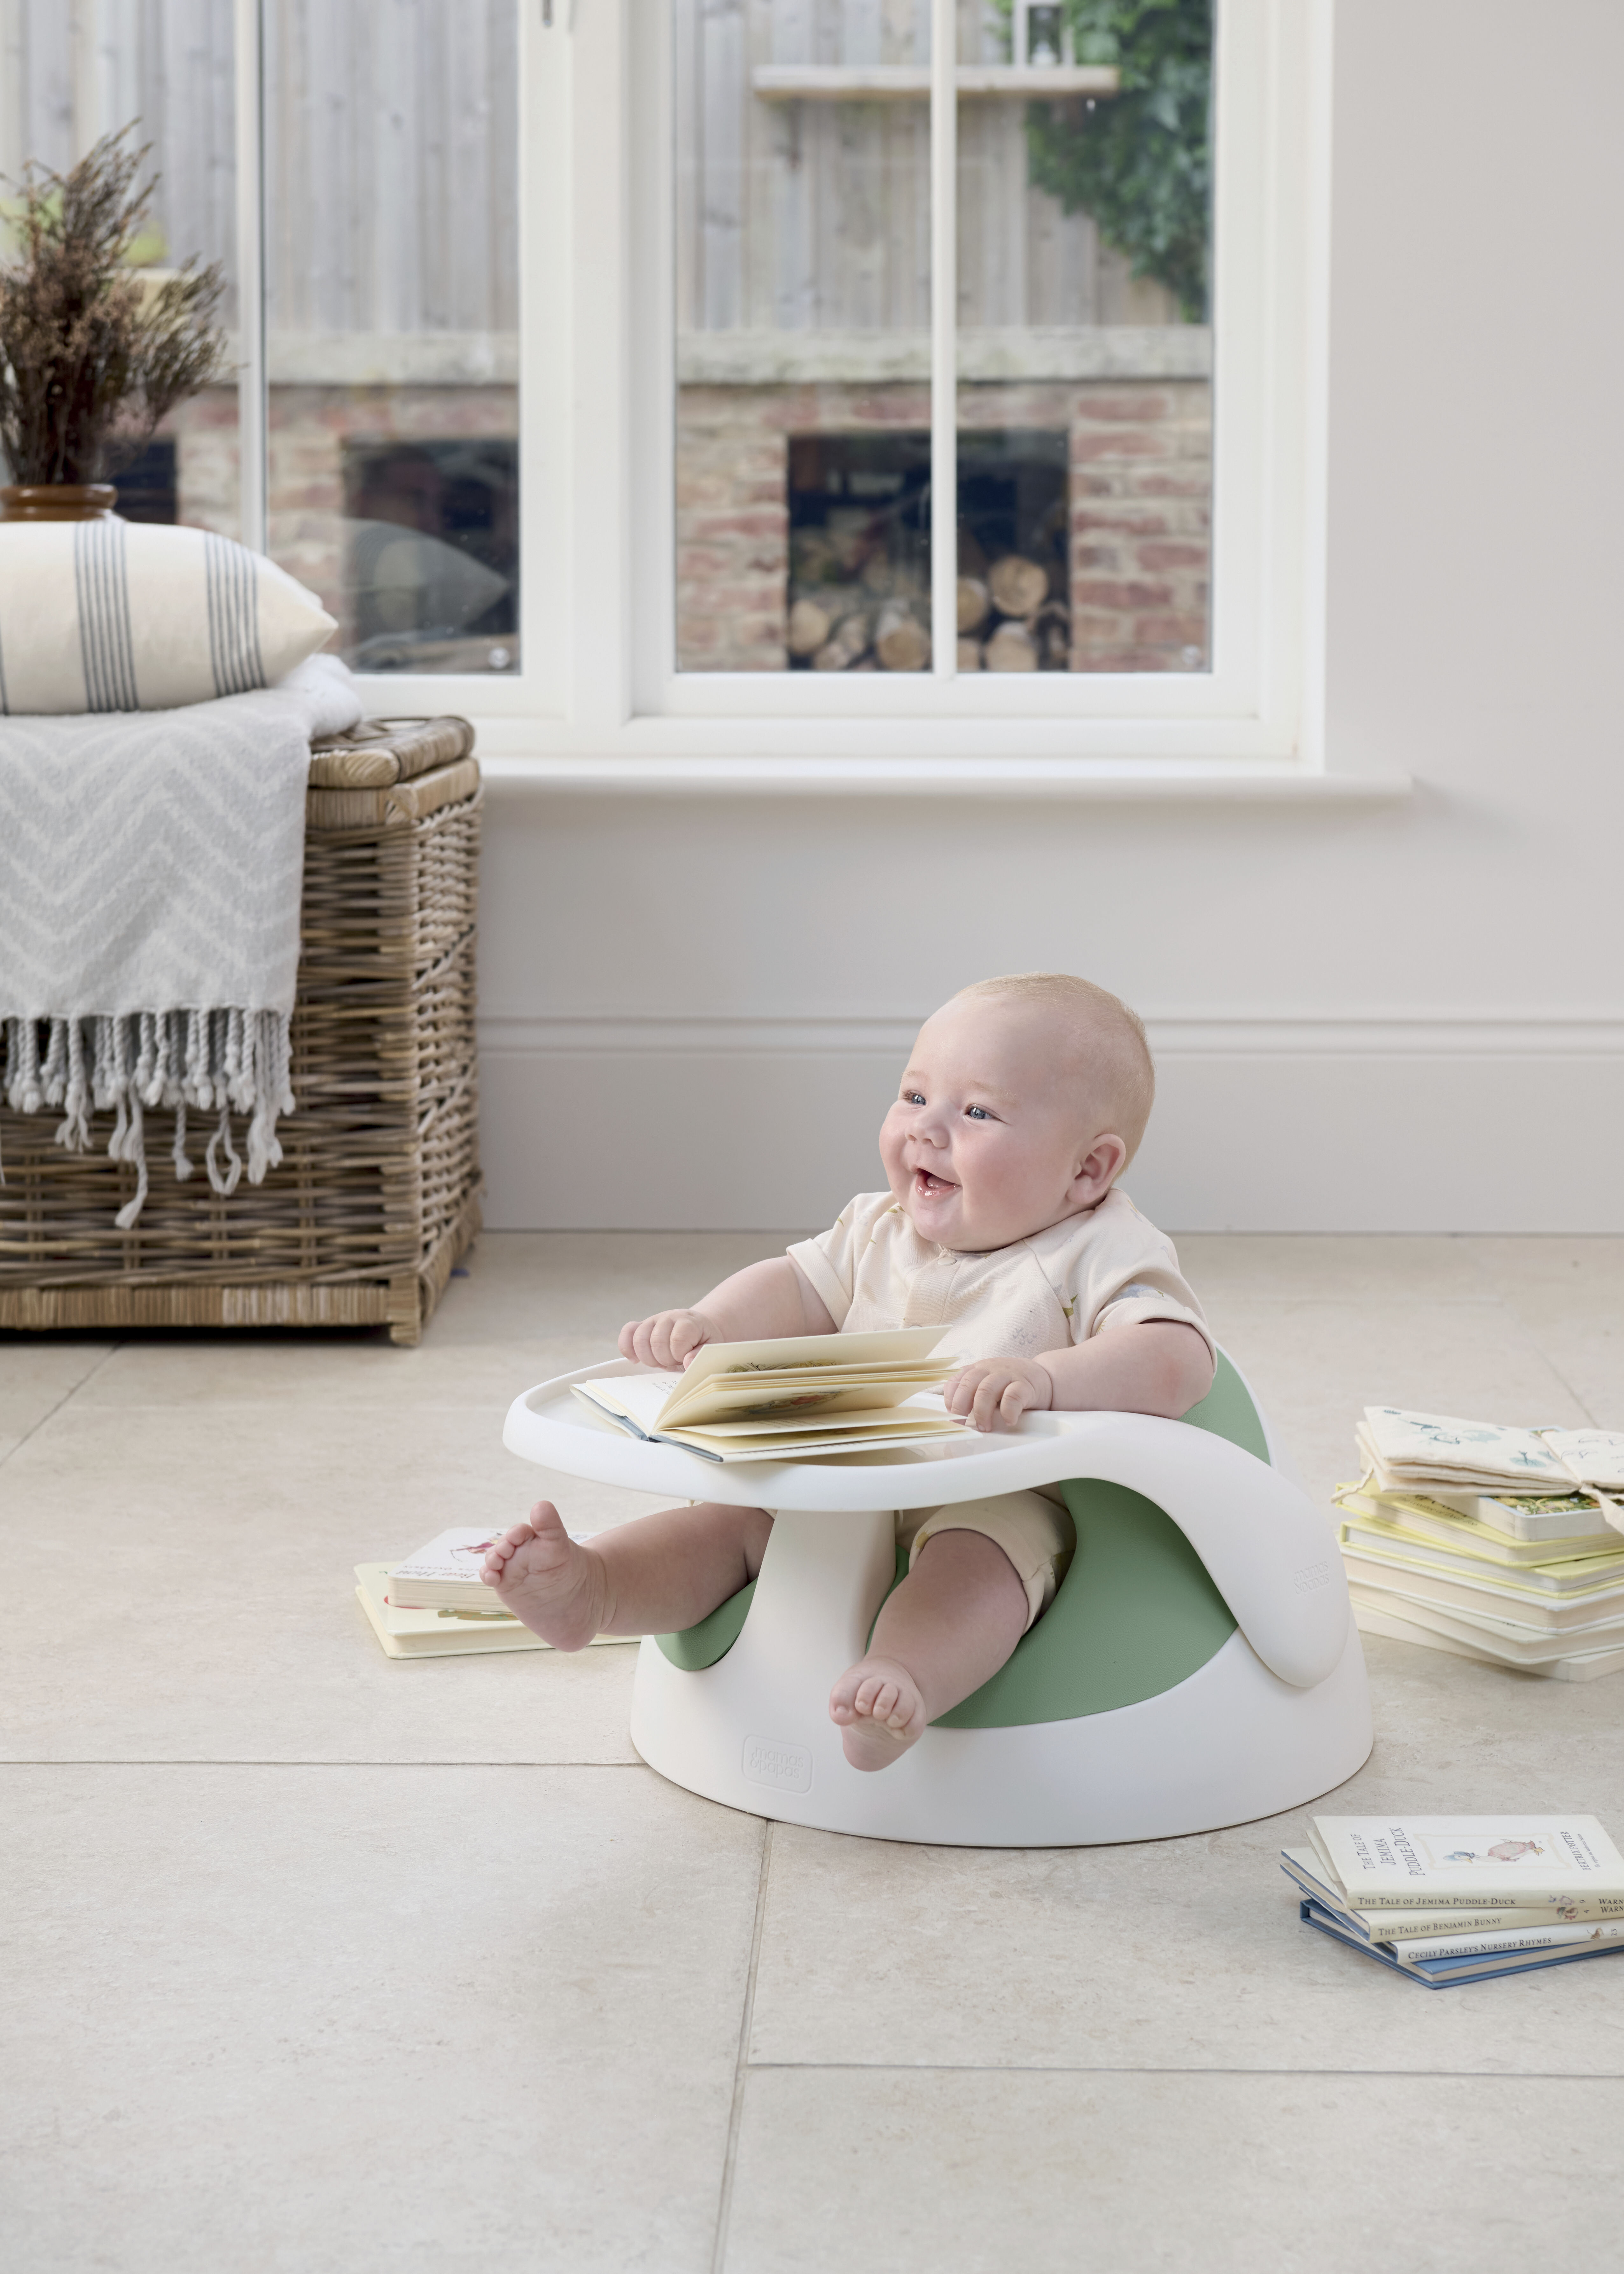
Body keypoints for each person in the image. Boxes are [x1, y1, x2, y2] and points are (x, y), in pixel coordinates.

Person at [482, 972, 1216, 1771]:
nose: (925, 1131)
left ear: (1085, 1170)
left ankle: (901, 1683)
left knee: (980, 1566)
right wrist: (712, 1325)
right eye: (912, 1096)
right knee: (728, 1521)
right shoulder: (878, 1224)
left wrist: (1048, 1380)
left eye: (975, 1112)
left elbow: (1174, 1359)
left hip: (994, 1488)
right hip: (838, 1468)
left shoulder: (1100, 1247)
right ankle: (594, 1589)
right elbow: (794, 1284)